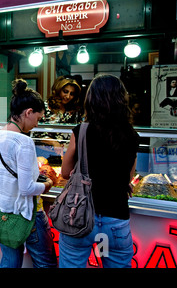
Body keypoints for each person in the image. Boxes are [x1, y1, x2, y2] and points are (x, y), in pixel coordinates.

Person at [59, 74, 139, 268]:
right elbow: (128, 177)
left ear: (91, 99)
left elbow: (65, 171)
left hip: (80, 219)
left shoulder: (82, 131)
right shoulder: (132, 134)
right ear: (122, 99)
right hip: (116, 223)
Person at [0, 79, 57, 268]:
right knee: (46, 264)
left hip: (4, 212)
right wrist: (47, 185)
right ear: (28, 112)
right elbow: (27, 188)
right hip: (28, 215)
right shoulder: (23, 142)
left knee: (10, 262)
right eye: (38, 118)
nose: (37, 124)